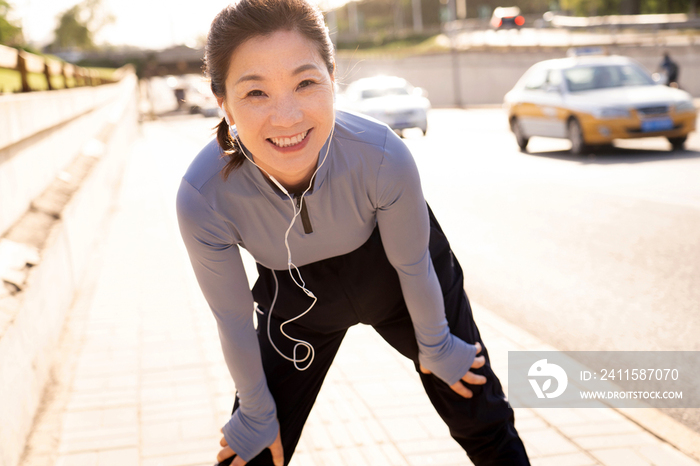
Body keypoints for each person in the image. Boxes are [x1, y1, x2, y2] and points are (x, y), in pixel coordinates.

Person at [176, 0, 531, 465]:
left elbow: (413, 263)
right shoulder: (203, 196)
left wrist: (438, 345)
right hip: (296, 303)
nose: (286, 117)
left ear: (332, 78)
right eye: (256, 93)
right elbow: (234, 319)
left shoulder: (383, 155)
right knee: (253, 450)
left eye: (305, 83)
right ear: (222, 102)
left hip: (400, 279)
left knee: (481, 415)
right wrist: (258, 410)